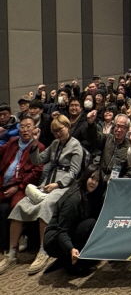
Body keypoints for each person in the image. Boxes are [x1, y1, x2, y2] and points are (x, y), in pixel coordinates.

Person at [3, 115, 84, 275]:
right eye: (55, 131)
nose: (58, 134)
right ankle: (12, 252)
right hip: (47, 183)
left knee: (46, 205)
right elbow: (38, 160)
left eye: (60, 130)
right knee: (21, 206)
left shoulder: (76, 146)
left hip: (63, 185)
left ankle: (43, 250)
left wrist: (57, 184)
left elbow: (74, 172)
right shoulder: (54, 144)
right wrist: (34, 143)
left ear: (67, 127)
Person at [43, 166, 104, 276]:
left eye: (97, 180)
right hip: (55, 239)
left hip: (68, 232)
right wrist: (71, 249)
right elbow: (62, 231)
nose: (94, 183)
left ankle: (67, 258)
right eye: (92, 178)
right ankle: (69, 262)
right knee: (90, 224)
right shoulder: (74, 199)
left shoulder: (87, 193)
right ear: (85, 177)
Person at [0, 116, 45, 253]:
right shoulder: (13, 141)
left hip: (21, 186)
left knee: (14, 207)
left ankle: (14, 242)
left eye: (28, 127)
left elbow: (36, 172)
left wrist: (18, 187)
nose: (25, 130)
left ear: (34, 129)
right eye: (22, 127)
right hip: (4, 182)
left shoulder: (38, 146)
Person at [86, 110, 131, 179]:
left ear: (127, 129)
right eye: (117, 126)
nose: (119, 130)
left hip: (115, 181)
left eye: (122, 127)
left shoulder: (129, 147)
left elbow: (130, 171)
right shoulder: (107, 138)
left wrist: (120, 182)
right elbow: (95, 137)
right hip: (100, 178)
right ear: (114, 126)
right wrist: (91, 124)